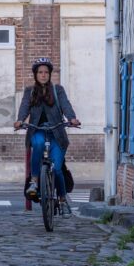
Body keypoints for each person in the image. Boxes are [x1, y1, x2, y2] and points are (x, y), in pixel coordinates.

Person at [14, 58, 80, 207]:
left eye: (46, 72)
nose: (43, 75)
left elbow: (66, 105)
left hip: (57, 133)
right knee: (37, 144)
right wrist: (19, 120)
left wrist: (72, 118)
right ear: (35, 75)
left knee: (57, 169)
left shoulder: (58, 90)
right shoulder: (30, 92)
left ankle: (62, 200)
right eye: (40, 72)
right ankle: (35, 181)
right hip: (38, 130)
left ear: (49, 74)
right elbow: (24, 107)